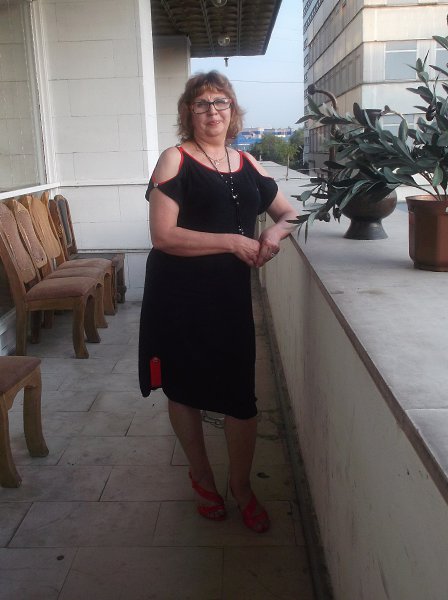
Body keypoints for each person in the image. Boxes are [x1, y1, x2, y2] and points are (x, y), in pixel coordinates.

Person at [139, 71, 297, 533]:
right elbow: (162, 235)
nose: (213, 111)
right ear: (189, 112)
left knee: (239, 395)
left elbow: (292, 211)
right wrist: (231, 241)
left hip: (229, 296)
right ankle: (202, 477)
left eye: (221, 102)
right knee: (183, 386)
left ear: (233, 111)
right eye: (202, 103)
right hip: (178, 293)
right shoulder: (174, 159)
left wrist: (274, 233)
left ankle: (241, 487)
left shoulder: (247, 162)